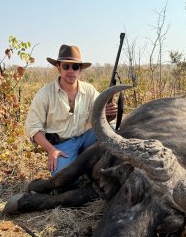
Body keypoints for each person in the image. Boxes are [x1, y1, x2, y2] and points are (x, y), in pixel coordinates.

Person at [25, 44, 117, 176]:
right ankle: (79, 165)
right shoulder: (44, 94)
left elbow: (101, 118)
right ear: (58, 67)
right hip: (62, 144)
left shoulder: (90, 91)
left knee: (112, 130)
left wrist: (109, 113)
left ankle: (88, 164)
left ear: (80, 70)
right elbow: (33, 129)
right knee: (63, 177)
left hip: (86, 138)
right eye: (66, 66)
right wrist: (52, 150)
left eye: (75, 67)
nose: (70, 70)